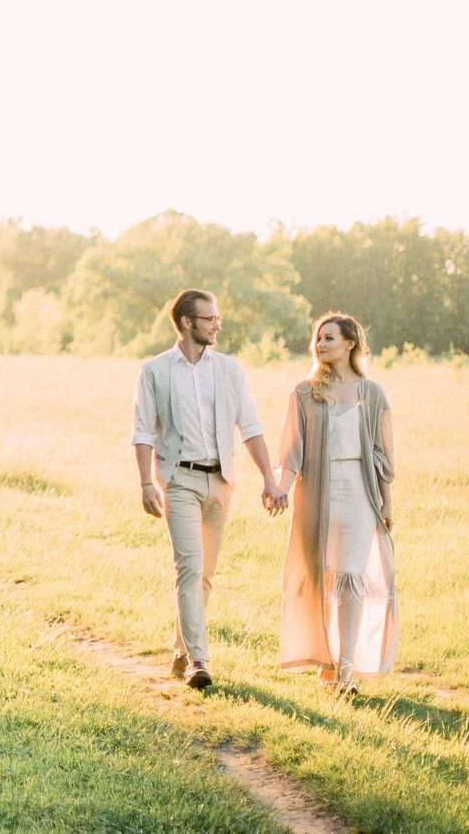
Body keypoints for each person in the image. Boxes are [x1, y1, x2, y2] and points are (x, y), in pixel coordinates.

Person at [132, 290, 287, 690]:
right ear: (186, 322)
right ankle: (199, 661)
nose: (217, 324)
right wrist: (147, 482)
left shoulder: (229, 370)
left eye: (218, 317)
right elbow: (143, 430)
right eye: (209, 318)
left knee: (206, 574)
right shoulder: (155, 371)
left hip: (221, 480)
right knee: (189, 565)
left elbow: (250, 427)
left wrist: (269, 479)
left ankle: (182, 649)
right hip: (178, 479)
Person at [277, 312, 398, 695]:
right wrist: (279, 489)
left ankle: (347, 667)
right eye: (318, 338)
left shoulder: (372, 393)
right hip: (317, 493)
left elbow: (381, 457)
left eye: (329, 337)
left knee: (351, 578)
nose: (321, 344)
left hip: (359, 496)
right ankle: (326, 659)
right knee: (322, 578)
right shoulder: (304, 393)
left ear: (350, 343)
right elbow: (291, 452)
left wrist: (386, 502)